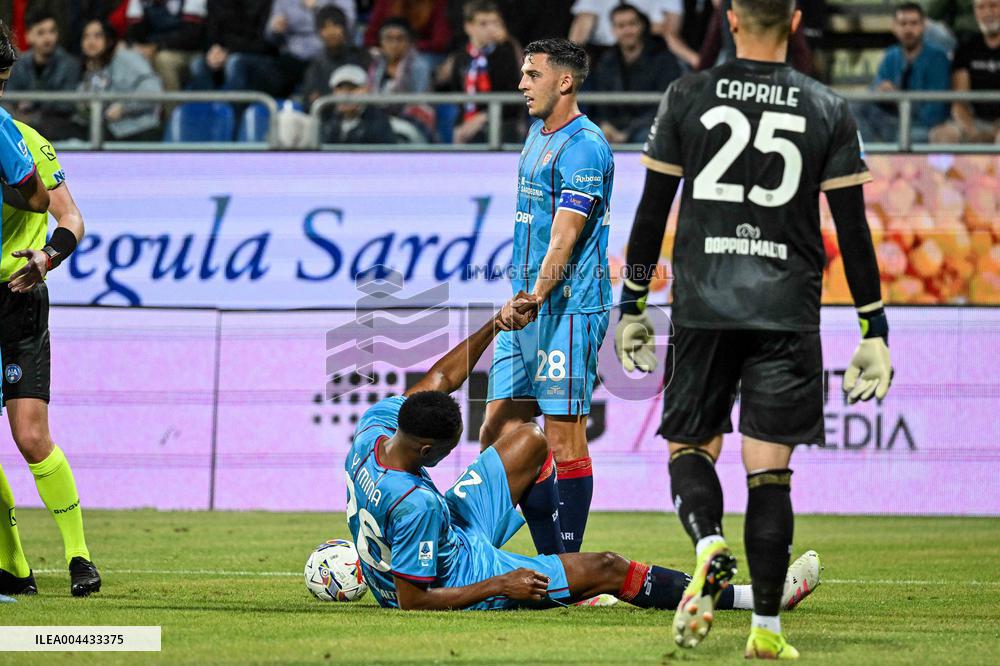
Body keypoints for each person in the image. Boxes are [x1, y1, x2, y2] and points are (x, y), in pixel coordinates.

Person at [615, 0, 891, 658]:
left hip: (705, 304)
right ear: (795, 20)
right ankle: (767, 630)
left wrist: (630, 304)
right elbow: (852, 230)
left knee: (691, 448)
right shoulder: (826, 106)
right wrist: (873, 330)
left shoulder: (686, 94)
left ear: (731, 17)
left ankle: (708, 542)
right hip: (786, 310)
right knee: (770, 474)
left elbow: (653, 212)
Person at [346, 299, 822, 612]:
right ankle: (756, 599)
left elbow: (440, 380)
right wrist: (500, 585)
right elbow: (412, 600)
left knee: (531, 441)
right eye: (448, 450)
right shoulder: (415, 504)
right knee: (609, 567)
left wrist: (495, 323)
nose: (458, 453)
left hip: (445, 530)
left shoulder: (375, 431)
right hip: (461, 574)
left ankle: (558, 571)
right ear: (427, 450)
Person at [478, 38, 610, 559]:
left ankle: (566, 566)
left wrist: (536, 294)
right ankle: (539, 553)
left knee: (562, 434)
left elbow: (566, 236)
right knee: (498, 427)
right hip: (526, 304)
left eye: (532, 74)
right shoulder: (536, 135)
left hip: (569, 307)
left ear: (565, 81)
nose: (521, 84)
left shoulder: (585, 146)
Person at [0, 118, 98, 597]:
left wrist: (48, 257)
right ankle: (15, 569)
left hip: (18, 295)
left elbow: (71, 218)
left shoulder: (26, 141)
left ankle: (79, 557)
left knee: (30, 436)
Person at [854, 3, 951, 144]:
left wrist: (899, 100)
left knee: (907, 136)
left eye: (913, 23)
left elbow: (935, 111)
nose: (908, 29)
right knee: (853, 107)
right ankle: (868, 159)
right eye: (903, 24)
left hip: (922, 126)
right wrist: (879, 90)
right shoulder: (890, 55)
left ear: (923, 26)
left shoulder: (938, 58)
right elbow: (874, 92)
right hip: (891, 122)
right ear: (894, 27)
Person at [587, 3, 682, 144]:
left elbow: (665, 106)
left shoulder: (663, 59)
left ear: (641, 26)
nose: (627, 30)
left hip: (649, 128)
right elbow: (600, 104)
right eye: (621, 26)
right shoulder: (606, 61)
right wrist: (605, 124)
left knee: (646, 136)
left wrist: (628, 133)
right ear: (613, 30)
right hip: (615, 129)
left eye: (632, 24)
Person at [438, 0, 521, 143]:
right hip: (467, 124)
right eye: (483, 23)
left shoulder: (506, 53)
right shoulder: (461, 57)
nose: (490, 29)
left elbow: (512, 100)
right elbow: (457, 94)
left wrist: (482, 118)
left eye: (495, 23)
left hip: (501, 124)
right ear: (468, 27)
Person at [76, 19, 163, 142]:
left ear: (109, 40)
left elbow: (153, 90)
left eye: (97, 36)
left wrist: (124, 107)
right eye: (86, 37)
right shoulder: (90, 68)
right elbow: (85, 110)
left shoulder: (126, 57)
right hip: (106, 130)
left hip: (137, 129)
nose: (91, 42)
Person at [929, 0, 1000, 144]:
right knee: (941, 135)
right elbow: (960, 101)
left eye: (993, 6)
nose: (987, 13)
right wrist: (973, 131)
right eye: (981, 7)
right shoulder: (966, 47)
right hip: (975, 121)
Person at [6, 11, 81, 141]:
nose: (48, 38)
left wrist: (32, 109)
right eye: (41, 33)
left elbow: (66, 106)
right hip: (23, 127)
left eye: (52, 31)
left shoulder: (70, 64)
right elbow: (9, 98)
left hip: (57, 129)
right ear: (28, 36)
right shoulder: (18, 64)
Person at [188, 0, 282, 97]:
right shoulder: (216, 2)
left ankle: (236, 111)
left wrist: (228, 51)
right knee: (198, 64)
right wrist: (213, 49)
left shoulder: (266, 3)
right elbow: (211, 32)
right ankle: (208, 110)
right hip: (226, 53)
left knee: (234, 62)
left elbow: (263, 42)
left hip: (259, 57)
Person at [125, 0, 208, 92]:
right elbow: (135, 36)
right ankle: (132, 105)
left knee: (164, 60)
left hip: (189, 51)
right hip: (154, 48)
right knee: (128, 55)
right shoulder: (139, 2)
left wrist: (156, 46)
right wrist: (139, 48)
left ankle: (171, 106)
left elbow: (190, 37)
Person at [302, 5, 370, 108]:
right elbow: (309, 100)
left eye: (335, 25)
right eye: (324, 27)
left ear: (344, 28)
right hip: (325, 118)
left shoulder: (361, 56)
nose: (331, 32)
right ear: (319, 33)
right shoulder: (317, 63)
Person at [320, 64, 398, 144]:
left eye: (352, 88)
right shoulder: (327, 120)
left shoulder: (378, 123)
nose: (345, 94)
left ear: (366, 90)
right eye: (340, 88)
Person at [364, 0, 452, 55]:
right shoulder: (386, 2)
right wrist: (385, 47)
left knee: (420, 64)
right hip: (386, 49)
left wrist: (409, 47)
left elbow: (440, 42)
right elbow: (370, 35)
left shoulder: (437, 3)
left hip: (420, 52)